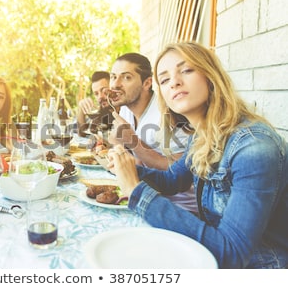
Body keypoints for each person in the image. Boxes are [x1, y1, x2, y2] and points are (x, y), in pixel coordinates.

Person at [109, 41, 288, 269]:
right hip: (210, 254)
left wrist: (136, 190)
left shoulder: (254, 148)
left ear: (210, 76)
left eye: (186, 70)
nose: (174, 82)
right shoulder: (204, 133)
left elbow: (232, 253)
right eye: (164, 79)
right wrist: (125, 169)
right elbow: (173, 180)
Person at [108, 52, 197, 213]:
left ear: (147, 83)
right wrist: (117, 147)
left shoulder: (170, 112)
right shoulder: (126, 111)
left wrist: (133, 142)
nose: (115, 85)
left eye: (126, 77)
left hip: (181, 208)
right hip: (146, 195)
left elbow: (177, 172)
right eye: (113, 77)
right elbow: (139, 164)